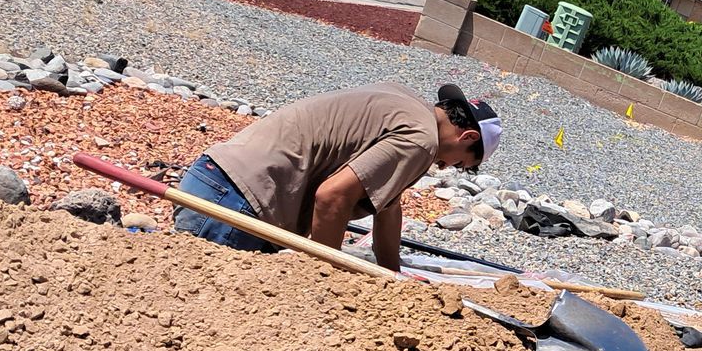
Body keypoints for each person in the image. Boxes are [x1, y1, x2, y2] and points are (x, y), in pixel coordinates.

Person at [173, 81, 501, 271]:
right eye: (460, 165)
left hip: (216, 178)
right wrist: (325, 278)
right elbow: (332, 197)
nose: (446, 168)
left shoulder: (405, 103)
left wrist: (392, 277)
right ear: (467, 138)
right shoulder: (421, 139)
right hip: (236, 205)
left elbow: (389, 207)